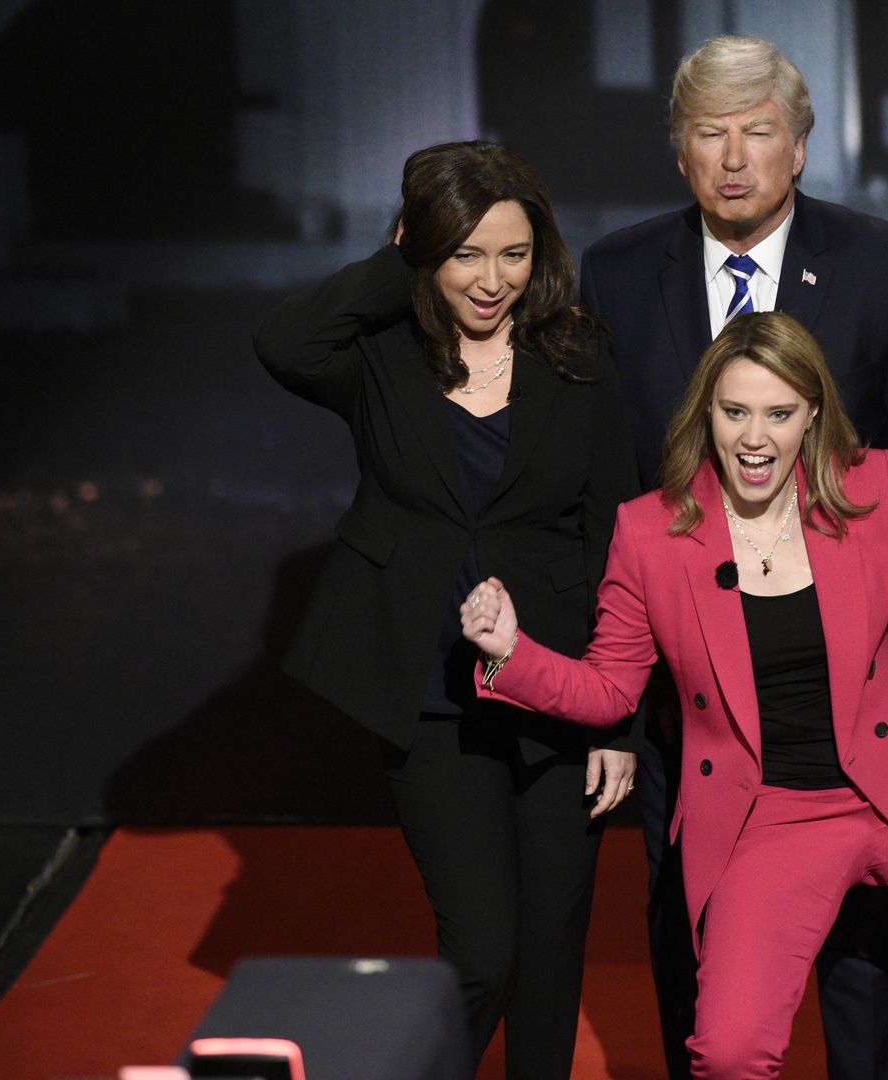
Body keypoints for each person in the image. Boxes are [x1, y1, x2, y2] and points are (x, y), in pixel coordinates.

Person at [460, 311, 888, 1079]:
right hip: (768, 819)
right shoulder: (649, 533)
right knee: (729, 1055)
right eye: (735, 412)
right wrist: (512, 655)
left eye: (778, 413)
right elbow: (608, 691)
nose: (754, 437)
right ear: (708, 414)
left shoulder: (874, 490)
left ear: (813, 416)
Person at [576, 34, 888, 1078]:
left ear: (801, 146)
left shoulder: (886, 266)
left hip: (852, 685)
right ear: (680, 152)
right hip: (686, 697)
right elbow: (606, 495)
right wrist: (615, 707)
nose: (735, 156)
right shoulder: (617, 274)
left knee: (866, 956)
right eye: (711, 134)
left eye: (759, 132)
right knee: (695, 956)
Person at [253, 140, 639, 1079]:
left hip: (558, 688)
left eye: (512, 253)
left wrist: (616, 713)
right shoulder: (380, 357)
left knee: (550, 960)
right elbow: (283, 342)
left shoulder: (577, 352)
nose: (492, 279)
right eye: (465, 253)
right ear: (424, 252)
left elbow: (612, 536)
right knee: (484, 955)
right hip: (429, 696)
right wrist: (398, 262)